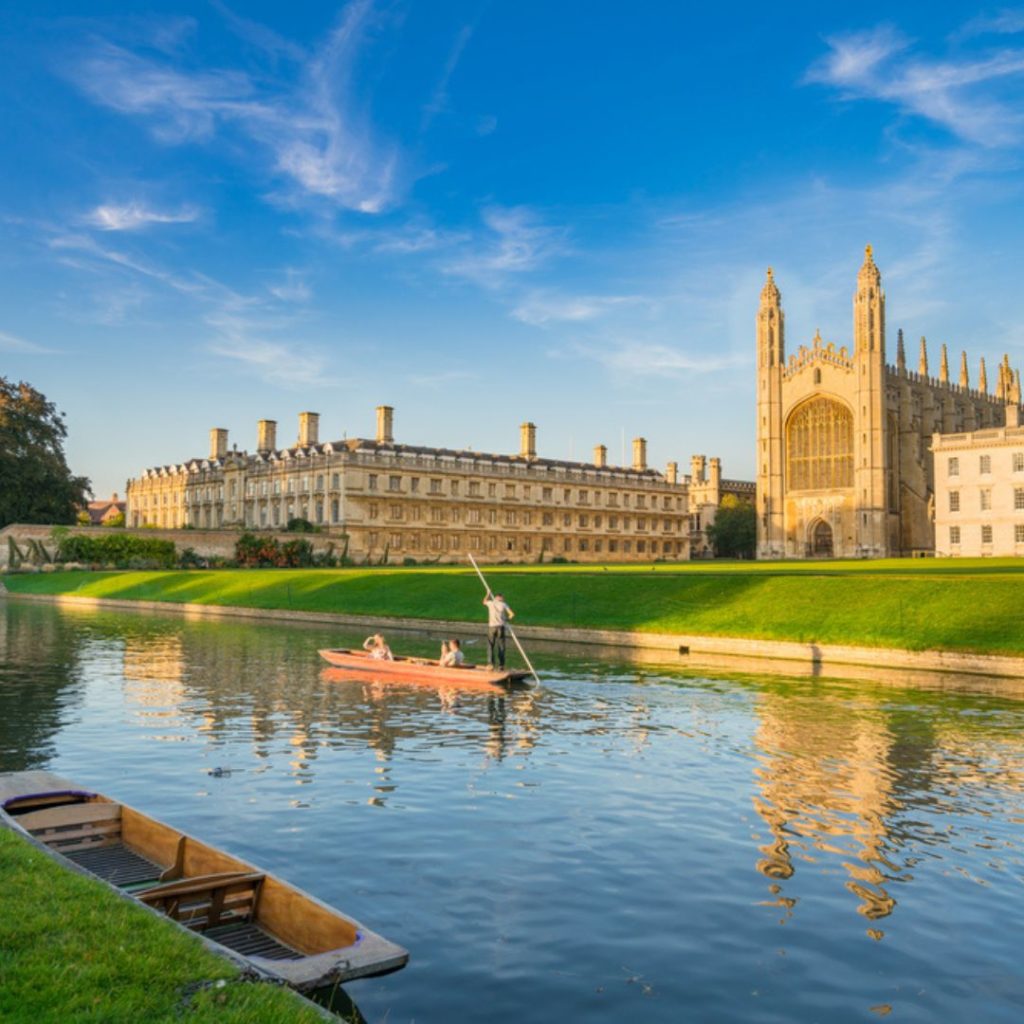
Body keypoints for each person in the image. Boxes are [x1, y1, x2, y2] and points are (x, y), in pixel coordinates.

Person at [483, 592, 514, 670]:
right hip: (501, 627)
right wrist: (506, 619)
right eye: (502, 597)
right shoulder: (504, 604)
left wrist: (487, 594)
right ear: (499, 597)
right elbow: (512, 614)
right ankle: (501, 665)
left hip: (492, 627)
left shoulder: (491, 603)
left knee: (490, 645)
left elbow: (484, 601)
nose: (503, 599)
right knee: (501, 646)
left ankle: (490, 664)